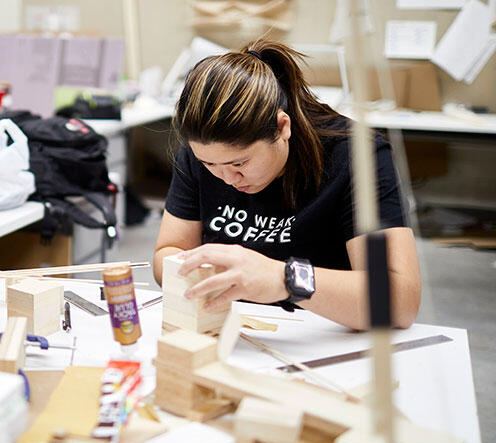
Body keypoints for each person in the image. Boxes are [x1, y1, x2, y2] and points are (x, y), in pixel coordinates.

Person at [153, 40, 421, 330]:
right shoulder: (205, 152)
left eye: (239, 164)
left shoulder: (355, 156)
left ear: (283, 128)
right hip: (236, 331)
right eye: (209, 165)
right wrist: (199, 271)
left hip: (325, 333)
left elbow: (400, 301)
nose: (227, 179)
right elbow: (168, 251)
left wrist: (284, 279)